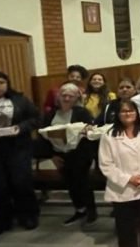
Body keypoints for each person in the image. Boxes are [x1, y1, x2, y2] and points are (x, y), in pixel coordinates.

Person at [98, 100, 140, 247]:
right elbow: (106, 164)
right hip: (122, 189)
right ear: (118, 114)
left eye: (131, 110)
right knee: (125, 228)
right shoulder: (108, 136)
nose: (128, 114)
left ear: (137, 112)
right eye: (124, 111)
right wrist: (128, 179)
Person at [0, 71, 40, 238]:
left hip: (17, 148)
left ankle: (28, 215)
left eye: (1, 82)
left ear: (7, 84)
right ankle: (2, 219)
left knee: (21, 182)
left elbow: (36, 118)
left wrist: (20, 128)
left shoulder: (19, 100)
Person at [39, 83, 99, 226]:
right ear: (58, 97)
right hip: (60, 155)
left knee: (82, 182)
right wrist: (52, 156)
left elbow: (90, 133)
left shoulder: (82, 112)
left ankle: (91, 210)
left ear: (76, 97)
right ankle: (79, 209)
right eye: (64, 95)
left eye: (70, 96)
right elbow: (43, 137)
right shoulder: (50, 114)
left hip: (79, 154)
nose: (66, 98)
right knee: (70, 183)